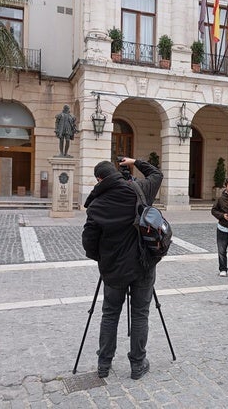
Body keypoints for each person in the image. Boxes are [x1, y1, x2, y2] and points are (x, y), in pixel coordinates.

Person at [82, 157, 163, 380]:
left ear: (99, 179)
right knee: (140, 314)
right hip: (143, 265)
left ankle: (104, 364)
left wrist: (103, 258)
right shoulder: (140, 189)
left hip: (114, 268)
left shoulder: (97, 204)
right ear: (117, 172)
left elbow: (88, 241)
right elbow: (157, 174)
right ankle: (137, 364)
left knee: (110, 314)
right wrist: (135, 161)